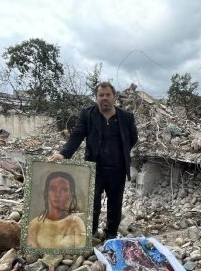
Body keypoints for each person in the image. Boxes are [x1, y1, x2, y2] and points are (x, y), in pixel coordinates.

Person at [52, 82, 138, 240]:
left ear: (114, 97)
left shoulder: (126, 117)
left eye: (108, 95)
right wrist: (63, 154)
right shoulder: (87, 114)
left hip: (118, 169)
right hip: (94, 167)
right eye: (101, 95)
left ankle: (111, 233)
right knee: (92, 204)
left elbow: (133, 138)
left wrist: (121, 152)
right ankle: (91, 234)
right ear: (96, 97)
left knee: (115, 204)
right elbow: (76, 135)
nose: (104, 98)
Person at [26, 171, 86, 248]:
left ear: (71, 194)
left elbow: (80, 250)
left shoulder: (76, 222)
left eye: (64, 190)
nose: (57, 194)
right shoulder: (35, 224)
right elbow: (31, 254)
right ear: (46, 192)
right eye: (53, 189)